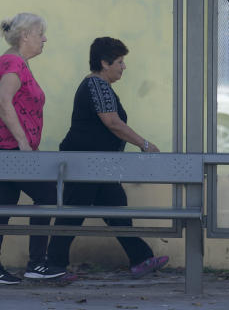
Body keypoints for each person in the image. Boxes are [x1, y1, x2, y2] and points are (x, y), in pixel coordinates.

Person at [44, 36, 170, 277]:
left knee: (117, 211)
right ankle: (53, 266)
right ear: (104, 62)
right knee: (73, 214)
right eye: (120, 62)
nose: (124, 67)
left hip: (99, 165)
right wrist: (144, 144)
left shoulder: (100, 86)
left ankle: (141, 259)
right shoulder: (97, 86)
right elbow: (113, 123)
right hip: (85, 163)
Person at [0, 12, 65, 284]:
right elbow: (3, 101)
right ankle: (36, 264)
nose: (44, 39)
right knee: (47, 196)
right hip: (7, 148)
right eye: (40, 34)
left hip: (0, 146)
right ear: (25, 36)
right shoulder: (14, 62)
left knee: (2, 205)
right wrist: (23, 143)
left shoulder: (12, 60)